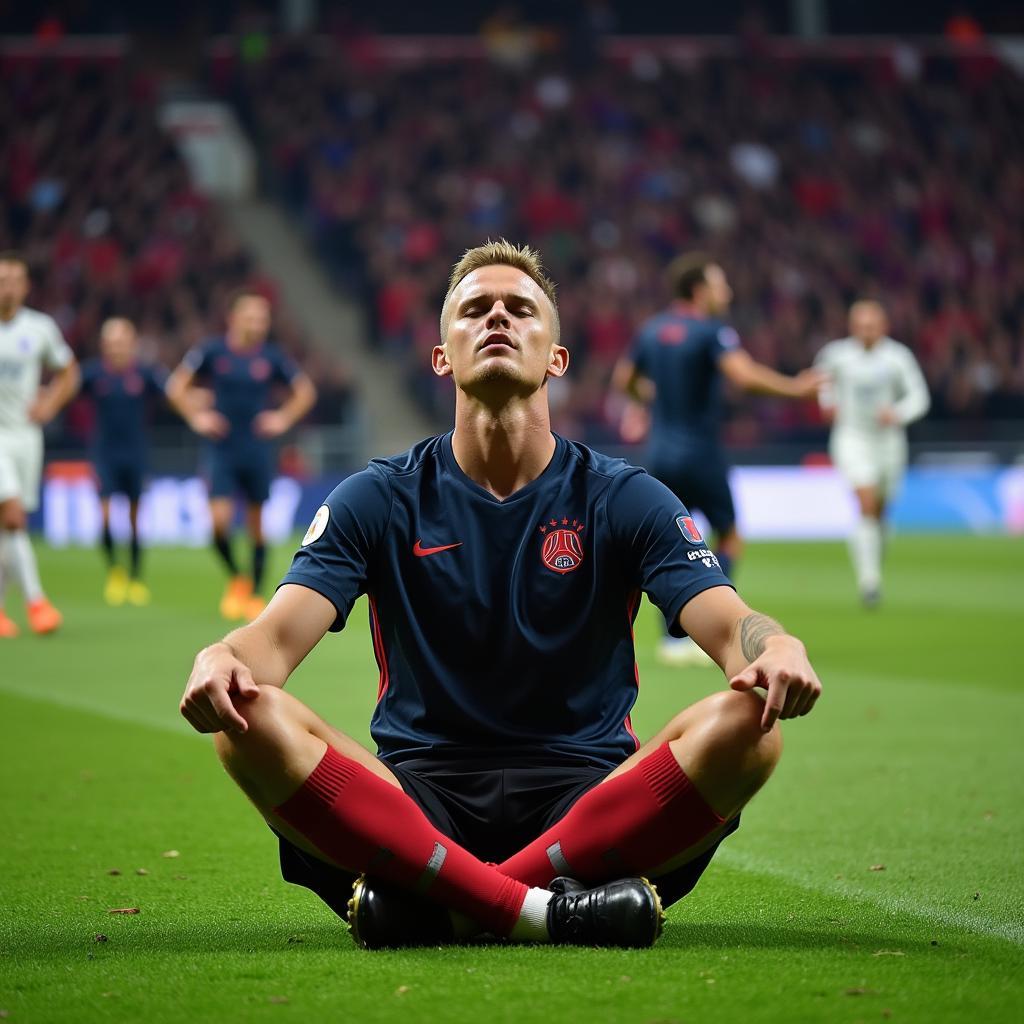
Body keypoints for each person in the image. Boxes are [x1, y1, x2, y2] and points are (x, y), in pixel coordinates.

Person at [179, 241, 823, 950]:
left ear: (557, 358)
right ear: (441, 356)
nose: (497, 320)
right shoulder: (378, 497)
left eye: (520, 310)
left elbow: (733, 627)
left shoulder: (624, 496)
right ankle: (549, 912)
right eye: (474, 310)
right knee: (244, 719)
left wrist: (777, 644)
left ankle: (451, 904)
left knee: (751, 729)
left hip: (588, 800)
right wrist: (222, 656)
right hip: (418, 799)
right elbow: (268, 643)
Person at [613, 253, 822, 666]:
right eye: (719, 284)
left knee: (667, 545)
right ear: (699, 290)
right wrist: (797, 391)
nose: (725, 292)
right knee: (728, 538)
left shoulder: (652, 330)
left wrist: (648, 404)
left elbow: (624, 380)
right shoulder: (712, 331)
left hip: (658, 454)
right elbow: (744, 377)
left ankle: (671, 641)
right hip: (701, 454)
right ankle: (712, 630)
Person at [167, 291, 316, 622]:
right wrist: (197, 417)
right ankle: (238, 577)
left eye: (263, 318)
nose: (258, 324)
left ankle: (253, 594)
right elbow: (176, 387)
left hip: (257, 449)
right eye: (251, 317)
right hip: (221, 448)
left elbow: (305, 392)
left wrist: (282, 419)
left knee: (257, 527)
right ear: (233, 318)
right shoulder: (211, 351)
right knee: (218, 524)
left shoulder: (272, 357)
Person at [814, 300, 930, 607]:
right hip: (852, 437)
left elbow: (920, 396)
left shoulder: (897, 357)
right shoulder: (837, 355)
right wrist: (827, 402)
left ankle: (873, 566)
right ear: (852, 327)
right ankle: (870, 582)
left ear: (883, 327)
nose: (866, 332)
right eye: (861, 326)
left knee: (881, 512)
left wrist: (898, 413)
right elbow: (820, 380)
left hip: (889, 442)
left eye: (872, 326)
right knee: (865, 504)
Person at [0, 251, 80, 638]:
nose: (7, 286)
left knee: (9, 528)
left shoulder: (39, 328)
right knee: (13, 518)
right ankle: (37, 601)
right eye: (1, 279)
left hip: (25, 437)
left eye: (14, 279)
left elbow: (69, 371)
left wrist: (49, 404)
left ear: (25, 285)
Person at [78, 317, 168, 606]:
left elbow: (173, 393)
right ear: (104, 345)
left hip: (136, 454)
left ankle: (136, 577)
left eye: (123, 341)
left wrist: (196, 407)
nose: (117, 347)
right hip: (104, 455)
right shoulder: (93, 374)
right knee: (104, 517)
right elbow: (66, 390)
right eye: (112, 342)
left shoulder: (144, 374)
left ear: (132, 344)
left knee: (133, 519)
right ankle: (115, 572)